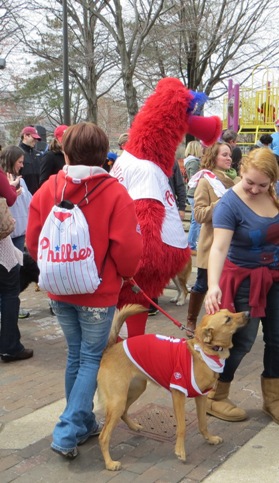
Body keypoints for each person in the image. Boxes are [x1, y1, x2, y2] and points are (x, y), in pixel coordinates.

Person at [26, 122, 142, 459]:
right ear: (103, 155)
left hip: (60, 290)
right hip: (98, 292)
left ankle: (84, 422)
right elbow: (128, 250)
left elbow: (35, 242)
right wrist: (126, 274)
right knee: (91, 357)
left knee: (76, 356)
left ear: (65, 152)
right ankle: (66, 430)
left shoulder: (49, 188)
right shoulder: (114, 192)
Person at [204, 147, 279, 424]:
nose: (256, 189)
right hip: (244, 280)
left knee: (277, 339)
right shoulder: (229, 204)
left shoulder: (272, 193)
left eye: (263, 184)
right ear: (241, 170)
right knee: (242, 340)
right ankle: (215, 395)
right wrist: (213, 285)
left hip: (274, 277)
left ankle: (273, 399)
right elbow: (219, 248)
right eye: (250, 182)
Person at [185, 142, 239, 337]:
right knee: (202, 283)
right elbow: (198, 215)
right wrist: (221, 204)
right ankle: (191, 320)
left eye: (230, 155)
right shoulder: (206, 181)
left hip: (233, 244)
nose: (228, 158)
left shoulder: (238, 181)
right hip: (211, 244)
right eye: (224, 154)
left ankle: (218, 324)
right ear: (213, 157)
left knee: (225, 287)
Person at [0, 167, 33, 362]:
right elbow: (11, 198)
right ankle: (10, 346)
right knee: (9, 294)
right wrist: (11, 187)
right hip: (2, 249)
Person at [0, 145, 33, 318]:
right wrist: (12, 189)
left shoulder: (22, 179)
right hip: (5, 235)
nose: (22, 165)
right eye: (19, 162)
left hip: (19, 233)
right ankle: (6, 309)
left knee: (16, 276)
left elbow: (30, 201)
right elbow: (10, 201)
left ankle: (12, 307)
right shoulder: (3, 179)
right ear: (11, 160)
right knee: (7, 277)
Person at [184, 140, 203, 255]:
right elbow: (195, 178)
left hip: (191, 193)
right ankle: (191, 244)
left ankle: (191, 243)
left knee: (194, 220)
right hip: (195, 192)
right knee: (196, 221)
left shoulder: (188, 161)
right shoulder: (195, 162)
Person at [19, 126, 42, 195]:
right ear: (25, 136)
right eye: (34, 138)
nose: (36, 140)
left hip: (38, 194)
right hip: (22, 194)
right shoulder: (16, 153)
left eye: (36, 138)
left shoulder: (38, 154)